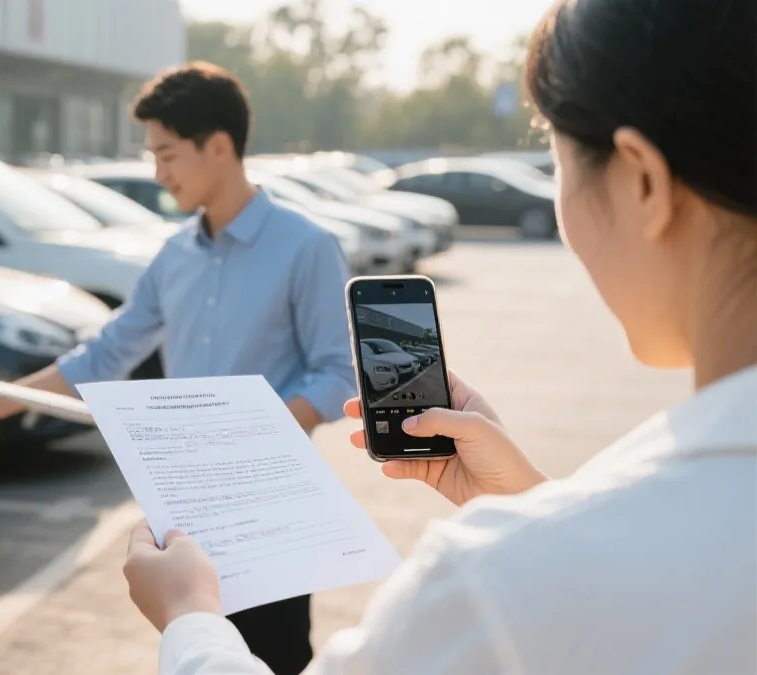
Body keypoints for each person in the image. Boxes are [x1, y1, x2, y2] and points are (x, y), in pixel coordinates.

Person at [121, 0, 757, 673]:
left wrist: (189, 615)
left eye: (557, 159)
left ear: (643, 181)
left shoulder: (492, 583)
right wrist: (532, 500)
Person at [0, 63, 356, 675]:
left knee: (273, 659)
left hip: (268, 509)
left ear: (217, 147)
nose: (158, 174)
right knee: (194, 653)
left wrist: (251, 431)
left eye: (167, 155)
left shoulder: (307, 246)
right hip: (186, 509)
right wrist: (7, 396)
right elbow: (108, 351)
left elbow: (335, 374)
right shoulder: (174, 255)